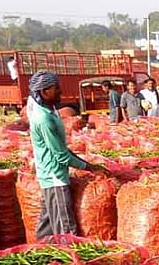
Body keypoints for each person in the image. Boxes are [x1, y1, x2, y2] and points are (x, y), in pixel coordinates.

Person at [25, 71, 104, 239]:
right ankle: (69, 263)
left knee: (46, 230)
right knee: (66, 231)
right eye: (56, 88)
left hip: (50, 177)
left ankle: (42, 257)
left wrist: (84, 163)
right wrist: (89, 167)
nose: (60, 91)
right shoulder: (43, 119)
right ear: (44, 92)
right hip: (55, 178)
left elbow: (60, 149)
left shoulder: (48, 110)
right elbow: (61, 156)